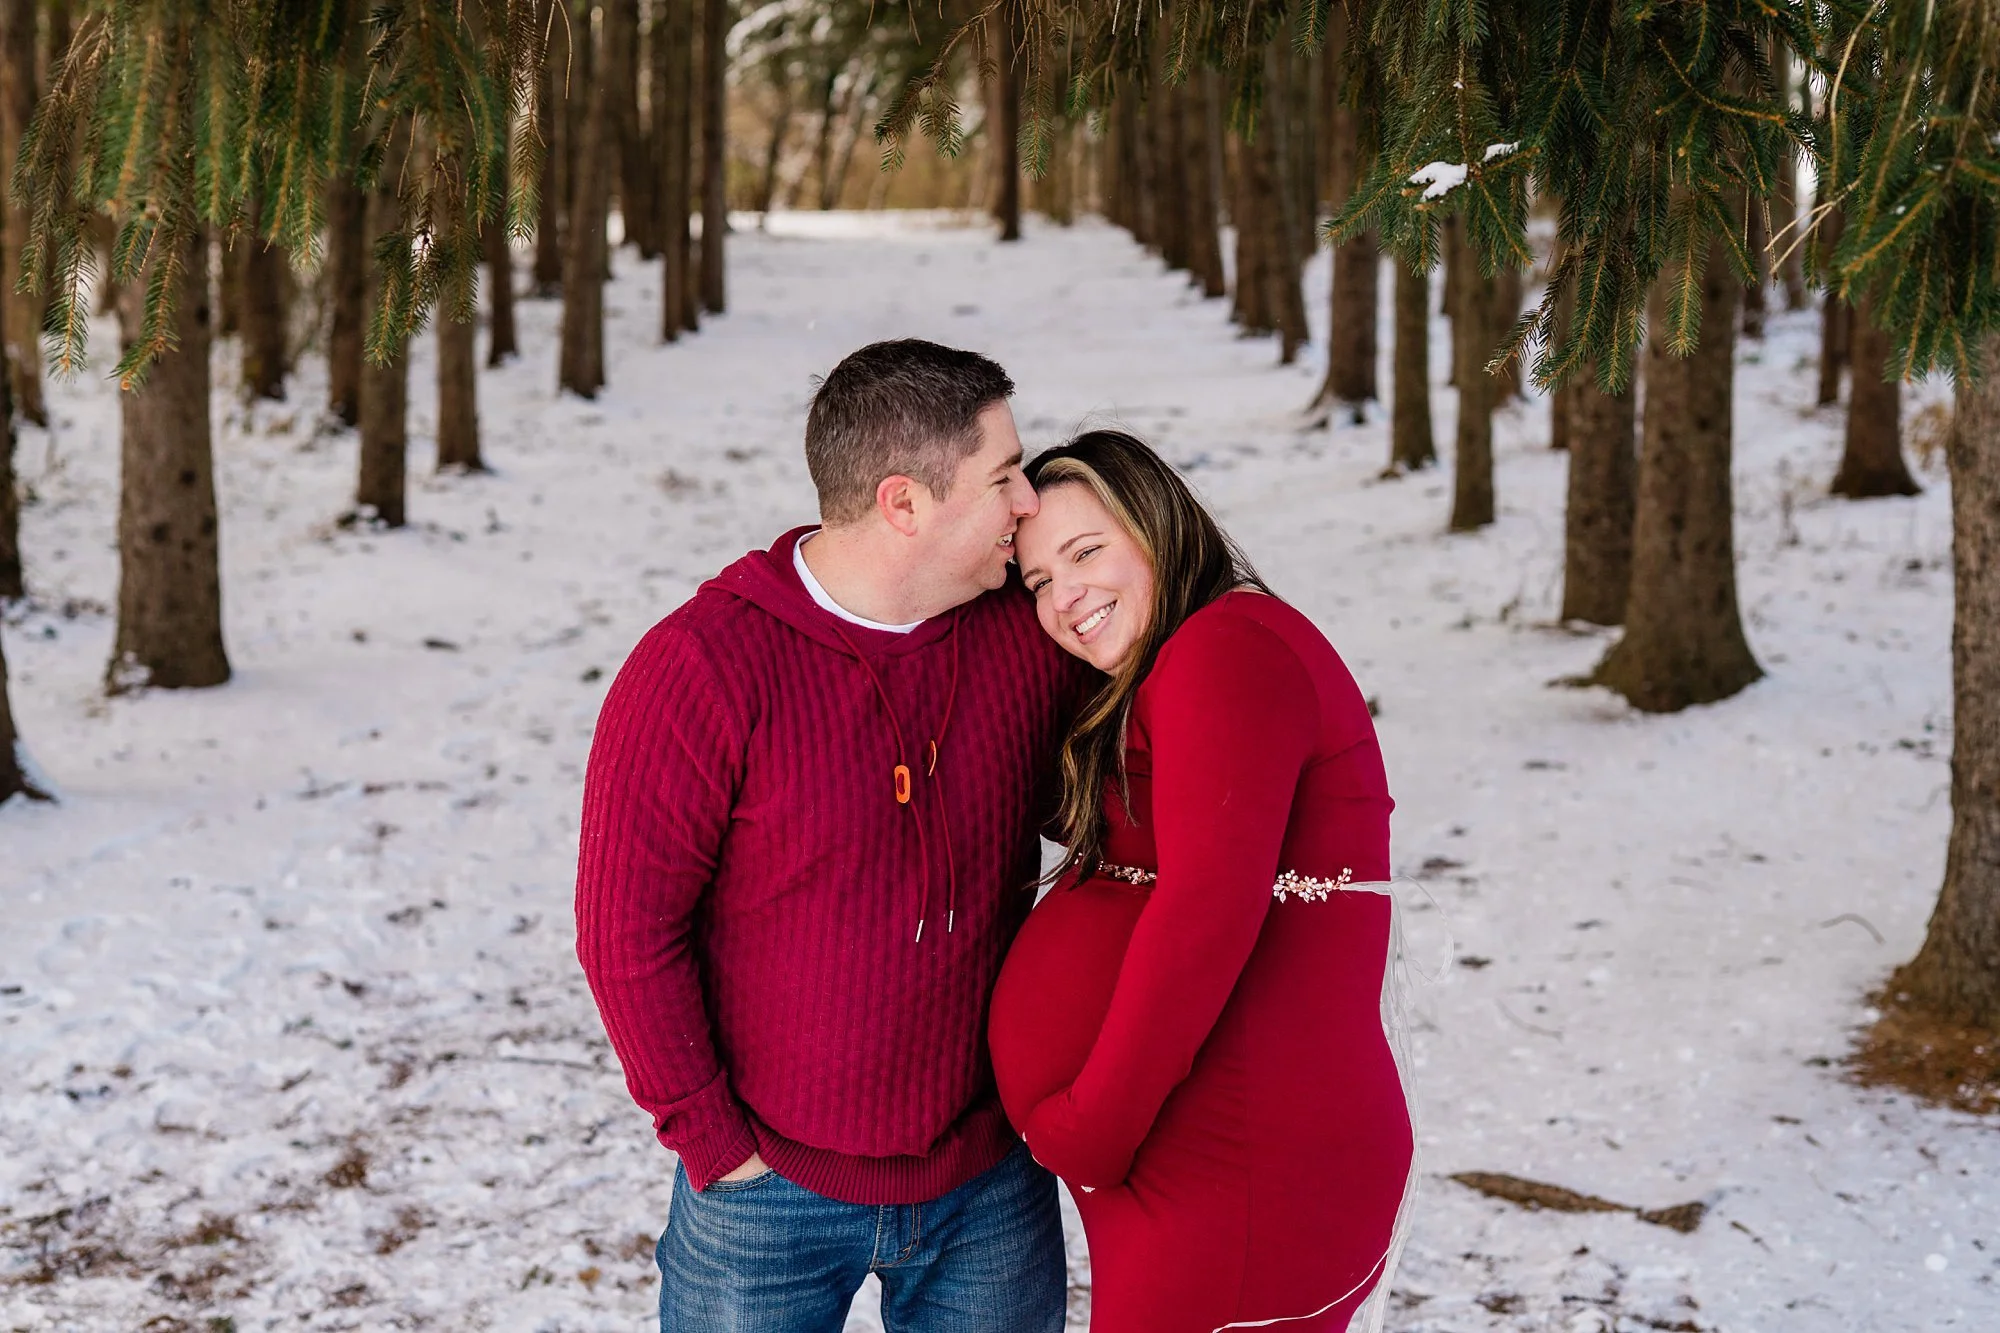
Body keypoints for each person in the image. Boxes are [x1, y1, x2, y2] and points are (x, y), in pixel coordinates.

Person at [575, 340, 1079, 1333]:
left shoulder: (1023, 636)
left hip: (986, 1181)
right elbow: (626, 935)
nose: (1030, 501)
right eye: (1002, 477)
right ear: (903, 503)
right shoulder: (702, 669)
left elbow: (1120, 802)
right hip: (766, 1190)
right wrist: (714, 1141)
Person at [989, 430, 1415, 1333]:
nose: (1065, 598)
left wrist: (1097, 1125)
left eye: (1086, 551)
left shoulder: (1226, 650)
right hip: (1199, 1161)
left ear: (1158, 523)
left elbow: (1205, 915)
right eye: (1036, 582)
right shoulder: (1178, 666)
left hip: (1240, 1167)